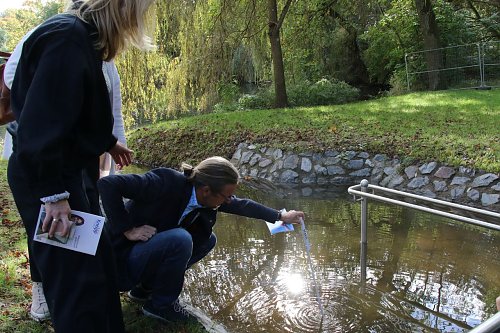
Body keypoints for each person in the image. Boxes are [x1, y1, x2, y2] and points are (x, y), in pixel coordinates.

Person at [7, 0, 155, 331]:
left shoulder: (80, 39)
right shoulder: (66, 38)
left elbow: (70, 110)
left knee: (98, 268)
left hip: (69, 173)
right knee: (76, 282)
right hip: (50, 179)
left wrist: (106, 142)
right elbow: (40, 125)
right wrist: (53, 196)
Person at [97, 156, 305, 324]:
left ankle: (144, 291)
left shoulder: (208, 197)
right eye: (227, 196)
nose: (229, 201)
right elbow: (108, 184)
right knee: (181, 239)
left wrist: (280, 216)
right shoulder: (165, 181)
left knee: (208, 240)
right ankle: (160, 306)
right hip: (119, 262)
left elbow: (243, 205)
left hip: (141, 258)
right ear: (206, 190)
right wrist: (128, 229)